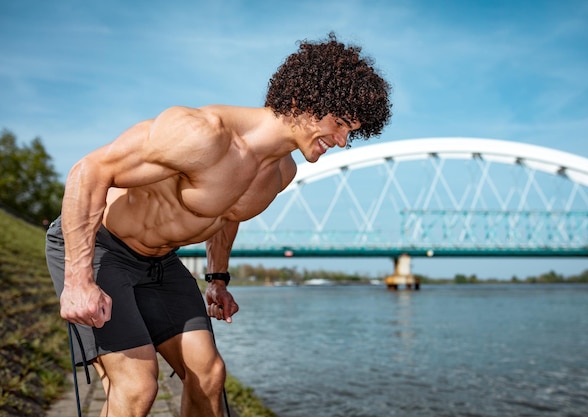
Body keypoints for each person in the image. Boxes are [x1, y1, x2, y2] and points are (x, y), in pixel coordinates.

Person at [46, 32, 391, 417]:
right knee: (137, 384)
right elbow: (89, 171)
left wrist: (217, 278)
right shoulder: (203, 134)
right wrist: (78, 281)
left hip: (160, 264)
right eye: (340, 123)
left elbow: (228, 215)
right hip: (102, 247)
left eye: (352, 131)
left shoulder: (282, 172)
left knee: (209, 375)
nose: (344, 141)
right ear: (303, 102)